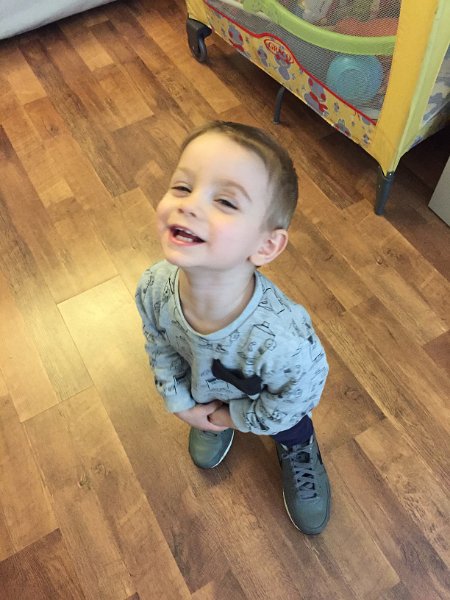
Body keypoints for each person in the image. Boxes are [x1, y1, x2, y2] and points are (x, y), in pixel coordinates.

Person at [135, 121, 331, 534]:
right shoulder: (153, 287)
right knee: (202, 393)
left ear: (265, 245)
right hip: (206, 387)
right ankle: (207, 416)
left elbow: (295, 397)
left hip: (272, 405)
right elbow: (159, 343)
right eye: (183, 187)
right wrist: (182, 402)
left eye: (225, 201)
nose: (189, 205)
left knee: (291, 425)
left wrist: (234, 417)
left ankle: (298, 448)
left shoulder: (284, 341)